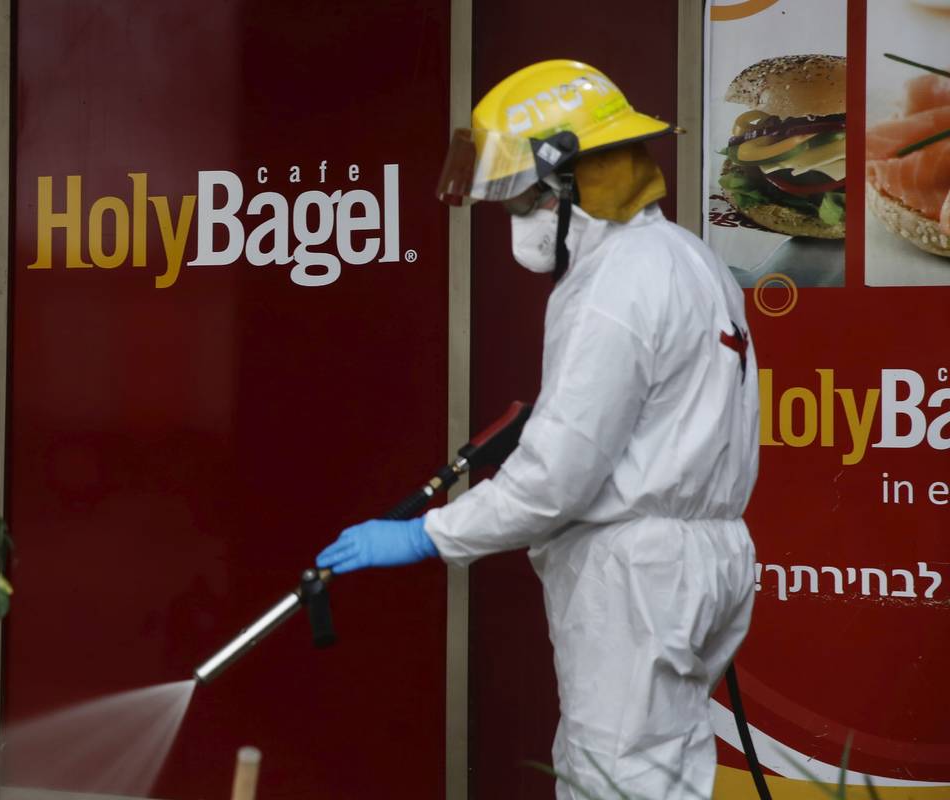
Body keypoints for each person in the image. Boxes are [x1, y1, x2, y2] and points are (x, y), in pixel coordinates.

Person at [317, 60, 759, 800]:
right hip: (697, 561)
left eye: (522, 198)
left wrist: (431, 533)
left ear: (573, 182)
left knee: (611, 783)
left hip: (634, 576)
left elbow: (555, 480)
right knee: (663, 776)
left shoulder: (609, 287)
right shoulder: (691, 259)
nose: (512, 218)